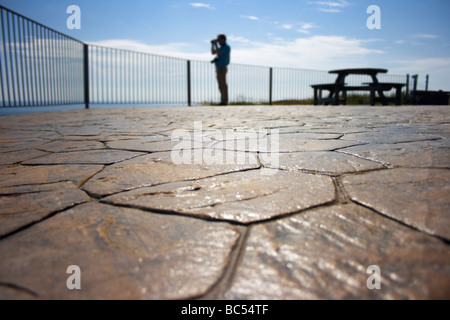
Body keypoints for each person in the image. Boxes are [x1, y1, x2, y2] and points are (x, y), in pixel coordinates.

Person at [211, 34, 231, 106]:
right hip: (218, 67)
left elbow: (219, 52)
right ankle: (222, 100)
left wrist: (215, 44)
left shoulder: (226, 47)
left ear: (223, 39)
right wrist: (213, 45)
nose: (218, 41)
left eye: (219, 39)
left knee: (223, 84)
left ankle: (224, 101)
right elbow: (213, 52)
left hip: (222, 67)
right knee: (220, 85)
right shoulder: (220, 47)